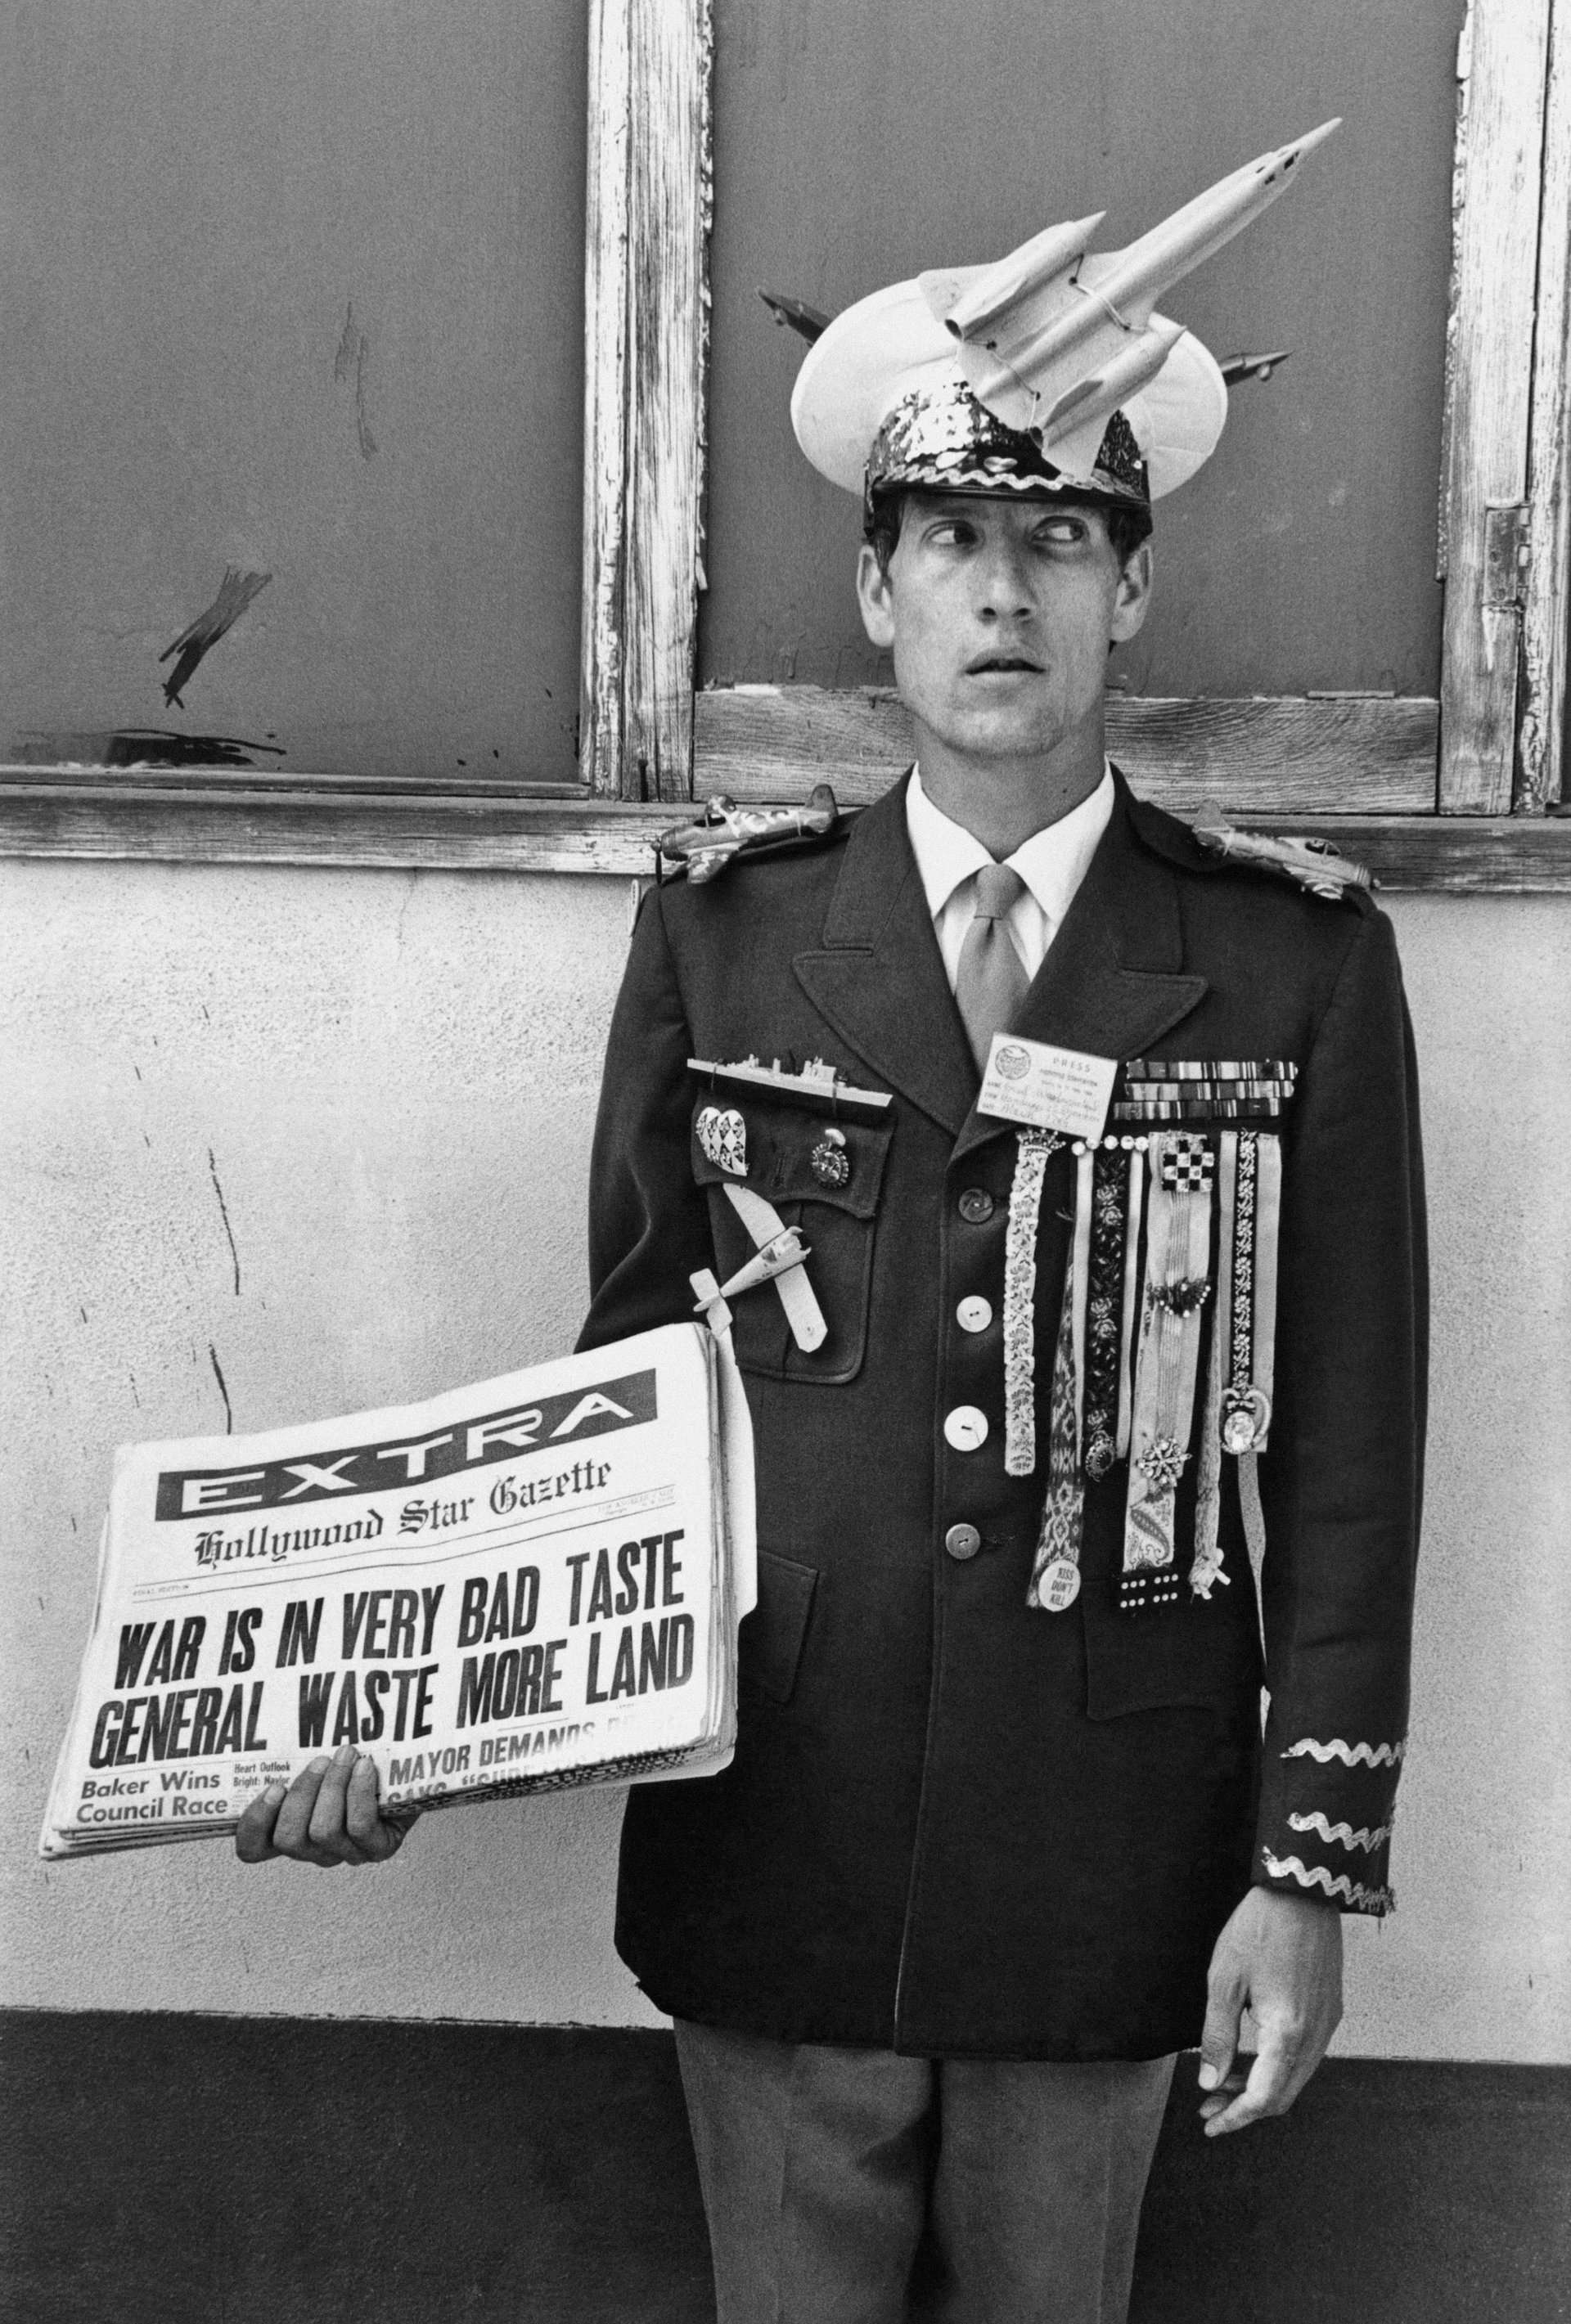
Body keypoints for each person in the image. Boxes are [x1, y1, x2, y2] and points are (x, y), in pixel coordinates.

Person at [239, 131, 1425, 2324]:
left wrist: (1306, 1868)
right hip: (775, 1829)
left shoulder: (1291, 972)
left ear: (1131, 591)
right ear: (875, 590)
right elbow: (624, 1410)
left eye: (1059, 540)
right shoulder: (729, 934)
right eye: (952, 539)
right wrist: (414, 1717)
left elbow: (1346, 1473)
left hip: (1112, 1857)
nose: (1005, 591)